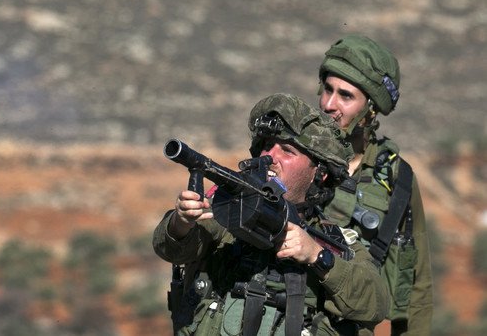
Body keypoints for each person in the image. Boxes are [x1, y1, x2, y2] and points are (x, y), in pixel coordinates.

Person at [154, 93, 388, 335]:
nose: (270, 157)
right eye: (266, 146)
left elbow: (376, 304)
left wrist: (316, 256)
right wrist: (180, 223)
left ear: (320, 174)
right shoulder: (228, 210)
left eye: (287, 150)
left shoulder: (333, 239)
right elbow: (169, 248)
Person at [316, 35, 433, 335]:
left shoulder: (397, 178)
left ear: (371, 109)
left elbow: (416, 285)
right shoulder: (295, 157)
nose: (330, 104)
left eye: (345, 95)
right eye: (327, 90)